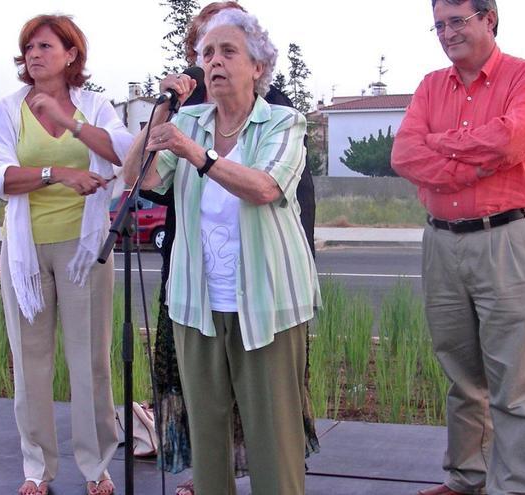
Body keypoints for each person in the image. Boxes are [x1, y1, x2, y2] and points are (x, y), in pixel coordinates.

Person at [123, 9, 320, 495]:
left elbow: (264, 188)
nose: (214, 61)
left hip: (266, 307)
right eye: (207, 53)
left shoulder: (284, 123)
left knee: (275, 443)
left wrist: (199, 154)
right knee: (208, 447)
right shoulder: (188, 119)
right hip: (196, 306)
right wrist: (159, 115)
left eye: (228, 51)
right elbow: (138, 179)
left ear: (257, 66)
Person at [390, 1, 525, 494]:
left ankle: (513, 490)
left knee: (515, 385)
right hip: (441, 242)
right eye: (439, 24)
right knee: (461, 376)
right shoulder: (430, 86)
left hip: (505, 239)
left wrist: (442, 145)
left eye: (457, 20)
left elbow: (510, 142)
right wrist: (472, 160)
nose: (446, 32)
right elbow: (403, 154)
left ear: (489, 19)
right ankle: (466, 480)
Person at [0, 14, 133, 495]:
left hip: (83, 247)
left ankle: (96, 466)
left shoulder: (94, 105)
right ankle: (37, 468)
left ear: (71, 54)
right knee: (30, 362)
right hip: (26, 250)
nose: (34, 53)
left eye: (45, 45)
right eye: (29, 46)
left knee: (90, 358)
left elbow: (122, 153)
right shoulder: (8, 109)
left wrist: (70, 123)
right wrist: (55, 173)